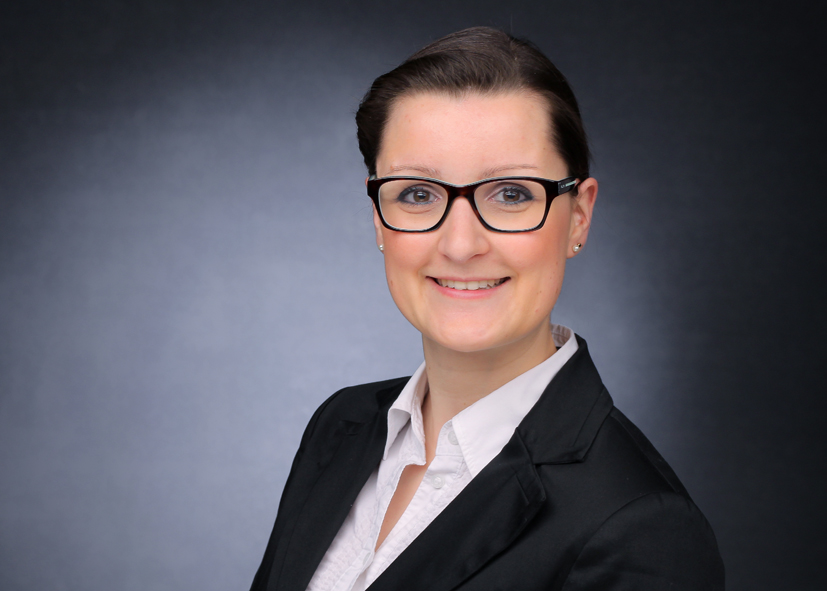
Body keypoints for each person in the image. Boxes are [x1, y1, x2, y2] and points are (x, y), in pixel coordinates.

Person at [250, 27, 724, 591]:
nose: (460, 245)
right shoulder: (341, 426)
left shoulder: (642, 528)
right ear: (378, 218)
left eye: (511, 193)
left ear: (578, 217)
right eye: (418, 194)